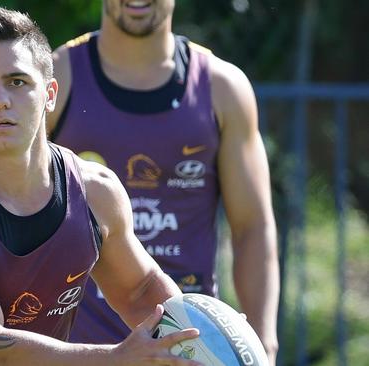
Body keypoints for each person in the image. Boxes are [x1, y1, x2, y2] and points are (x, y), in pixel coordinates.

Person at [0, 7, 202, 366]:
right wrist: (117, 358)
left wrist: (206, 333)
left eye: (17, 81)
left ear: (50, 93)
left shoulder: (94, 193)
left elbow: (140, 292)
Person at [47, 0, 279, 364]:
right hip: (84, 351)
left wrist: (264, 344)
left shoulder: (222, 87)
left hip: (192, 351)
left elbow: (252, 226)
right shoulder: (54, 78)